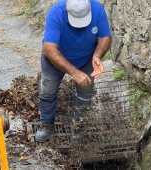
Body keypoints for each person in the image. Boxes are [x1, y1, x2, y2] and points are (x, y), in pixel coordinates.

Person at [35, 0, 112, 143]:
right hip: (56, 59)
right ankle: (46, 124)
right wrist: (75, 73)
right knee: (47, 91)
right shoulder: (55, 13)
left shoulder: (97, 9)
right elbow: (50, 49)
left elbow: (105, 37)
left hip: (86, 58)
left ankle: (78, 127)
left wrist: (97, 56)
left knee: (85, 94)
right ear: (68, 9)